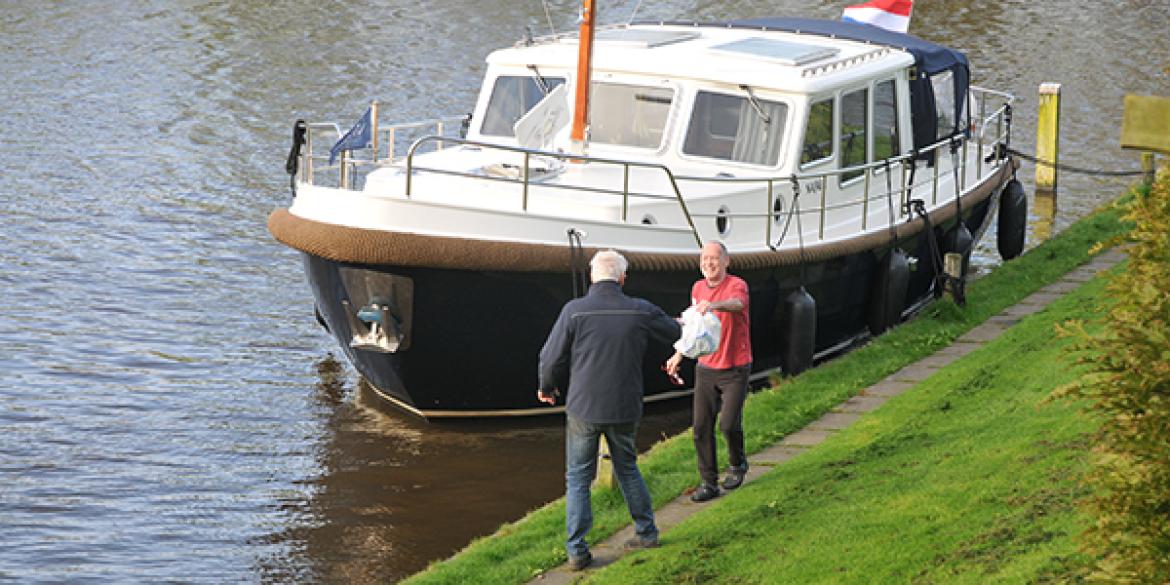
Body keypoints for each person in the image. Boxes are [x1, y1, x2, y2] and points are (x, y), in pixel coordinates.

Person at [538, 249, 682, 571]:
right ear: (622, 278)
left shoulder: (573, 311)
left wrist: (547, 388)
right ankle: (646, 532)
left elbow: (550, 357)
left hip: (583, 407)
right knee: (627, 467)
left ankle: (577, 551)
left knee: (577, 477)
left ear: (592, 276)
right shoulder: (640, 310)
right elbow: (674, 333)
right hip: (624, 406)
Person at [665, 241, 752, 503]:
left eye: (714, 258)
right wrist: (678, 355)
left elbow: (737, 304)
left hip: (735, 366)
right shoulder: (698, 287)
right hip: (706, 367)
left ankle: (737, 464)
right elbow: (694, 328)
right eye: (704, 259)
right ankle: (708, 482)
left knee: (728, 424)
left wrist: (713, 306)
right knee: (701, 427)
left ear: (727, 261)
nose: (709, 263)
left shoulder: (737, 285)